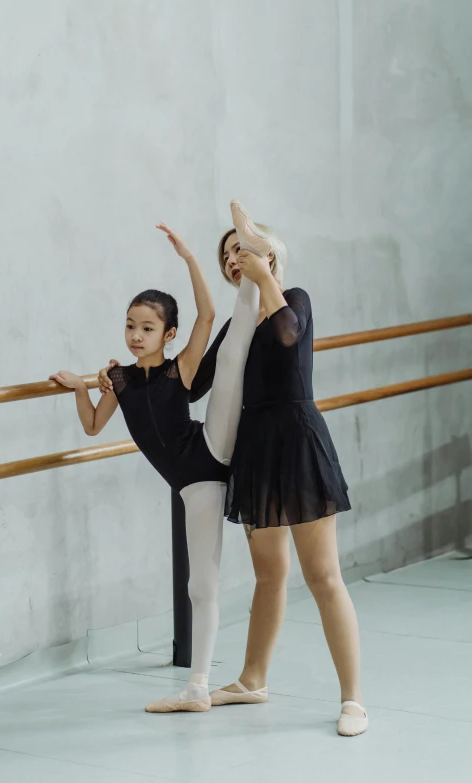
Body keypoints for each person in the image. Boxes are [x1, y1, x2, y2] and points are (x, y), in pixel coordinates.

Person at [99, 204, 368, 736]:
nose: (232, 260)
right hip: (253, 448)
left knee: (324, 576)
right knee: (270, 574)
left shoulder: (292, 300)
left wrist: (261, 272)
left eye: (239, 249)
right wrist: (126, 377)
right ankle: (252, 679)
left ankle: (353, 700)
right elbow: (196, 385)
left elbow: (287, 335)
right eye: (228, 255)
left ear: (266, 254)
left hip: (297, 440)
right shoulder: (235, 326)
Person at [50, 203, 272, 713]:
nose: (135, 335)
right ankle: (197, 690)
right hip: (194, 484)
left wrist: (191, 256)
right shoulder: (120, 380)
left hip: (210, 448)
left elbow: (207, 317)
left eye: (147, 328)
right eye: (130, 325)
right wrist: (79, 387)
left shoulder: (181, 369)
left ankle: (252, 261)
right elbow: (91, 424)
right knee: (202, 582)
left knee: (233, 351)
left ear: (168, 334)